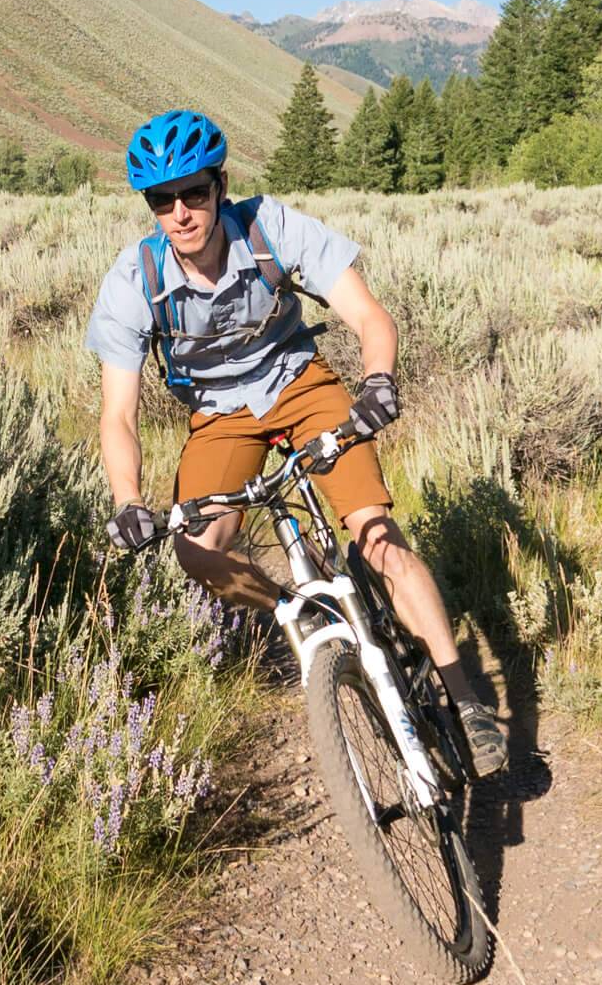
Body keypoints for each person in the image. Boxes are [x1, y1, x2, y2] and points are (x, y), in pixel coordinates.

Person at [85, 107, 507, 777]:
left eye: (193, 192)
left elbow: (369, 315)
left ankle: (468, 702)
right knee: (198, 554)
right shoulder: (135, 278)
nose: (181, 213)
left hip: (300, 383)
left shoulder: (268, 227)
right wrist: (128, 498)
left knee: (376, 535)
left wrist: (378, 383)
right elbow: (118, 415)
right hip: (220, 417)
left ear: (219, 186)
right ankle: (297, 614)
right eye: (161, 200)